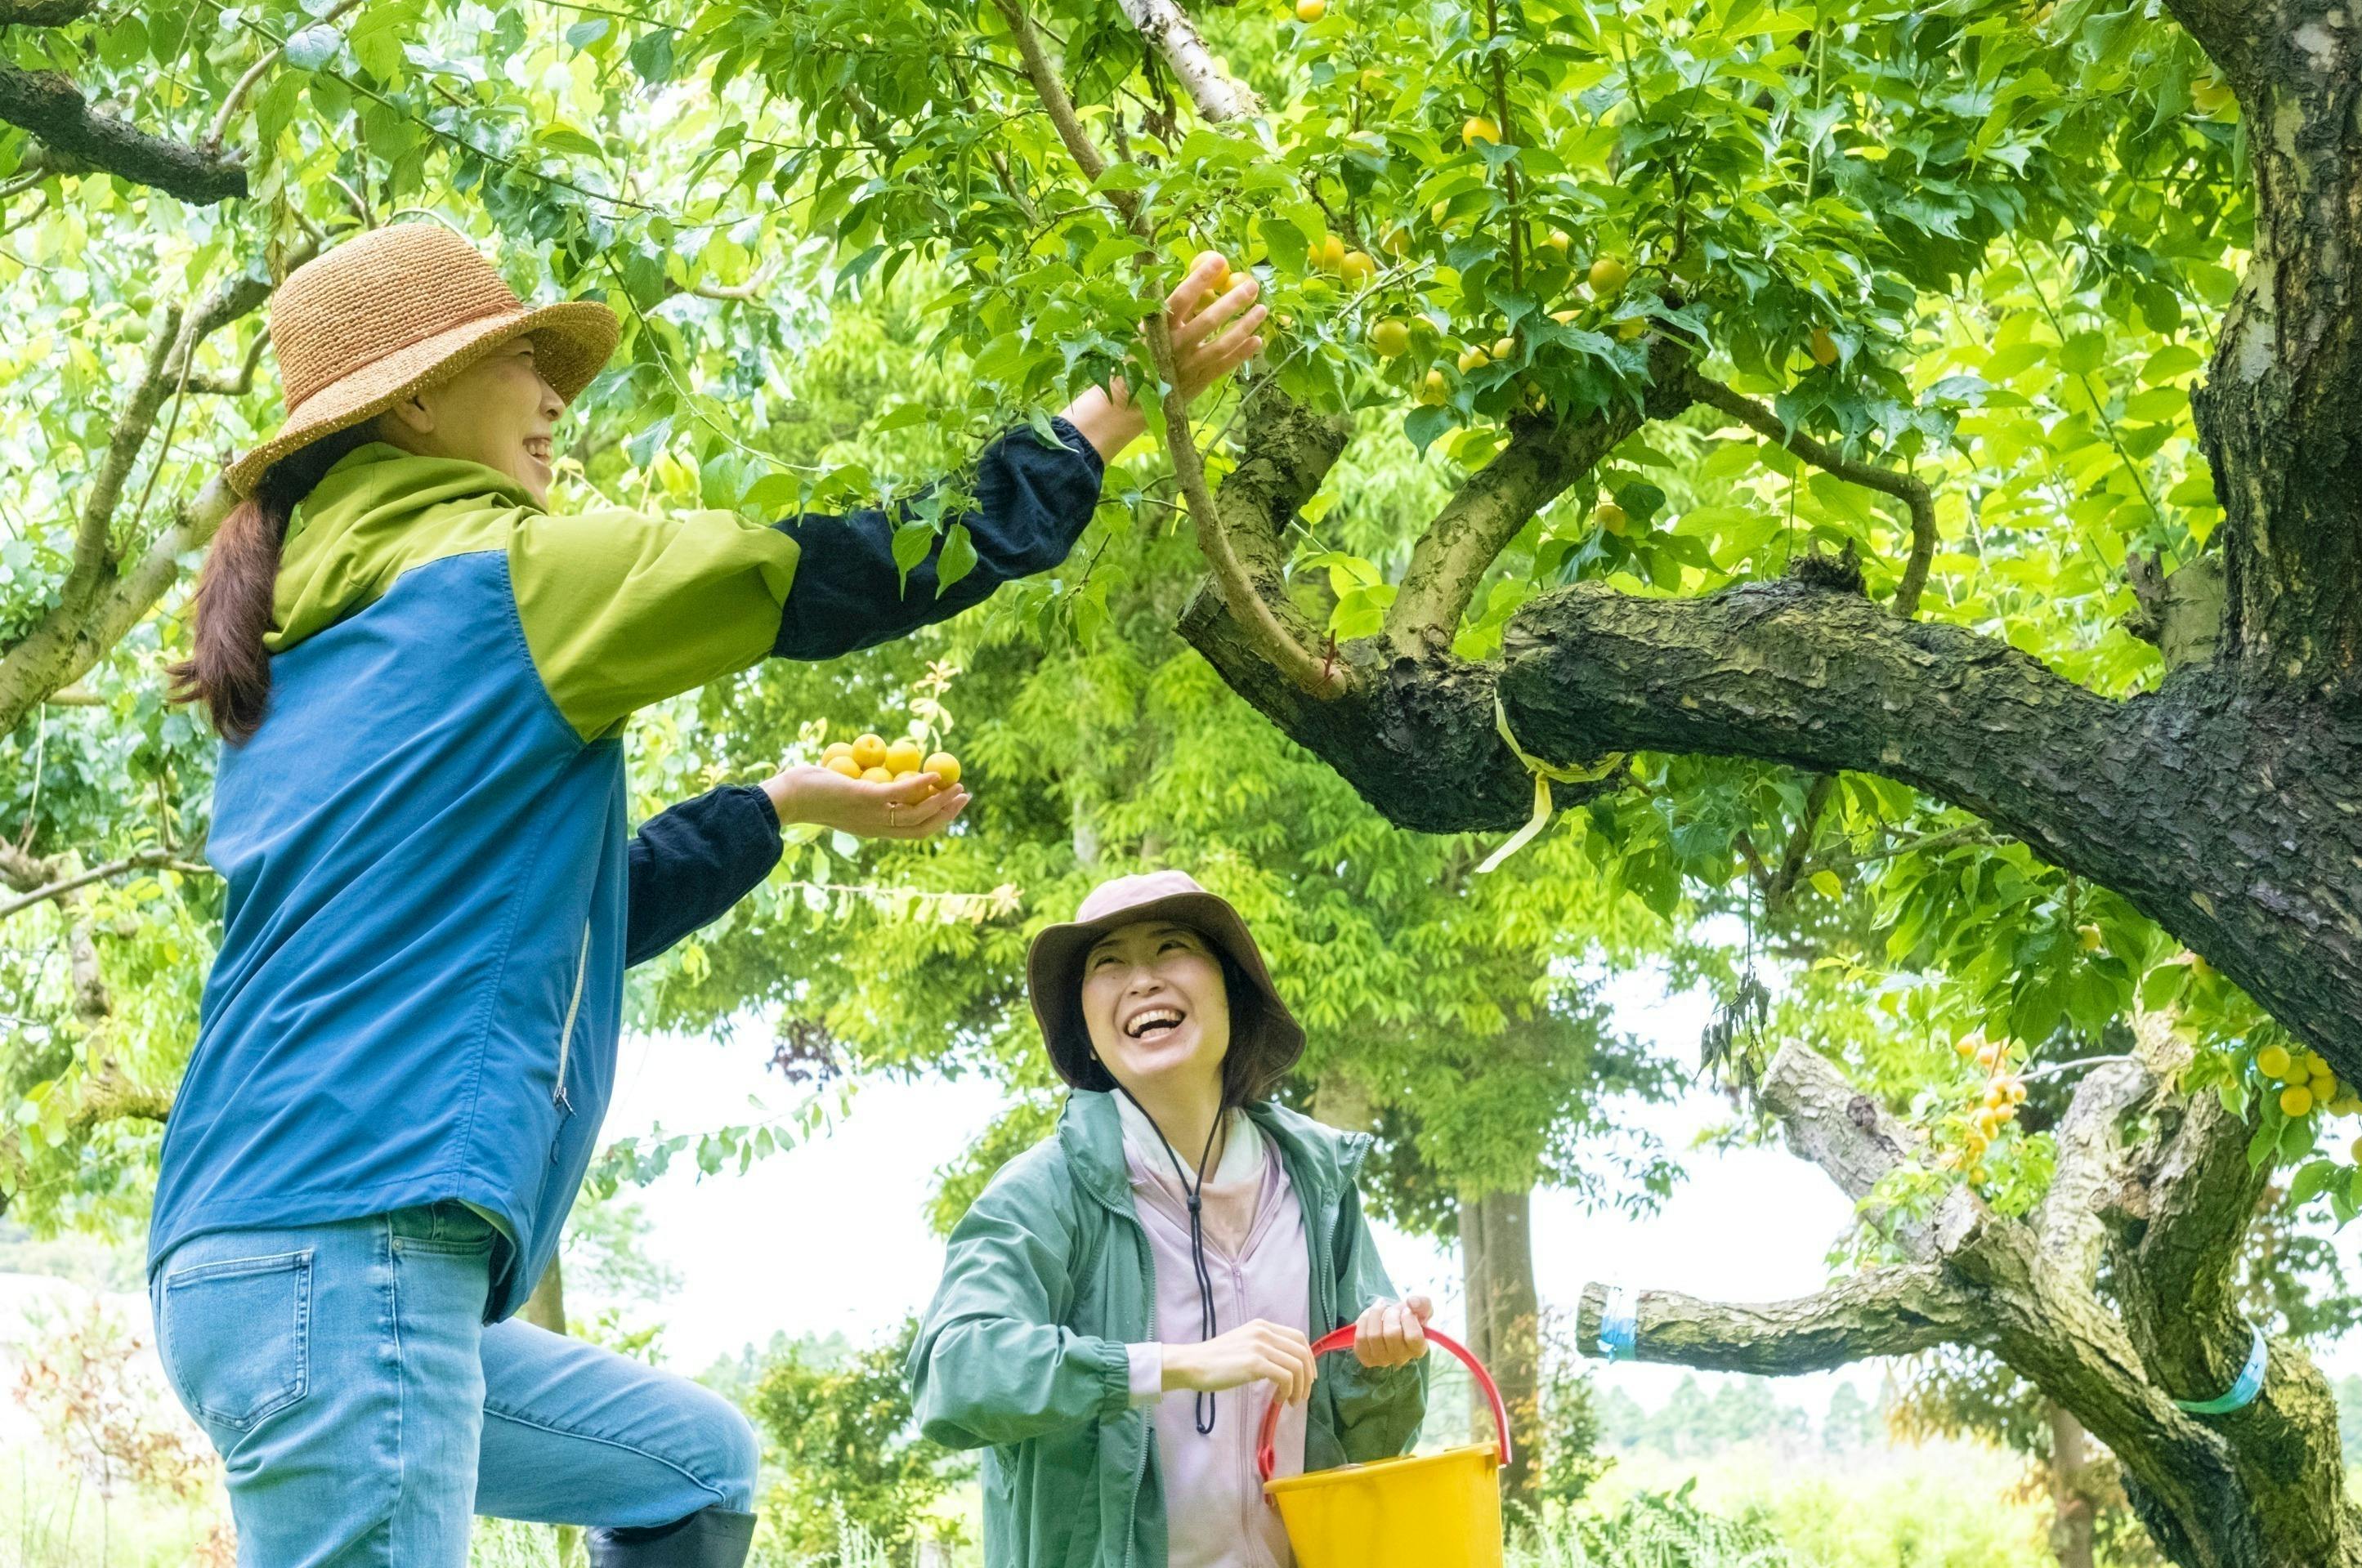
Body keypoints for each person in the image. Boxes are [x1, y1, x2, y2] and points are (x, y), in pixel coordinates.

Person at [145, 221, 1266, 1568]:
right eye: (518, 362)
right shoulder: (504, 579)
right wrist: (1101, 420)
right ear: (417, 402)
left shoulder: (301, 662)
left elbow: (556, 923)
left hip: (246, 1260)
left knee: (689, 1468)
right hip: (355, 1249)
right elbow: (839, 567)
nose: (556, 399)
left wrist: (779, 808)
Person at [908, 870, 1434, 1568]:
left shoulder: (1317, 1181)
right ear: (1087, 1028)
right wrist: (1173, 1366)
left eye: (1171, 946)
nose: (1142, 979)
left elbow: (1368, 1448)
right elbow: (953, 1375)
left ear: (1231, 990)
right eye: (1108, 962)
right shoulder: (1044, 1191)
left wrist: (1383, 1367)